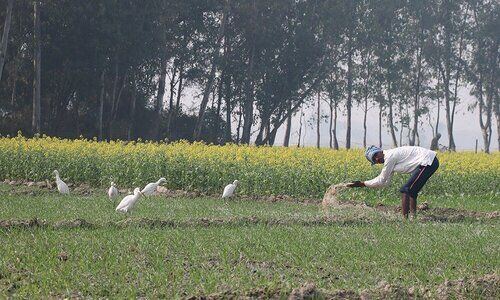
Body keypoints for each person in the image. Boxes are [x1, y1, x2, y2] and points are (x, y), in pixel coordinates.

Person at [347, 145, 439, 219]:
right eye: (374, 160)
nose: (377, 160)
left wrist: (362, 184)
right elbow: (385, 182)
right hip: (428, 162)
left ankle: (405, 220)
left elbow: (381, 180)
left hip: (428, 162)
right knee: (412, 191)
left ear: (380, 151)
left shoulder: (389, 157)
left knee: (405, 190)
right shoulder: (389, 159)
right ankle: (412, 218)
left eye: (375, 156)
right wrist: (363, 184)